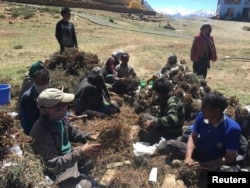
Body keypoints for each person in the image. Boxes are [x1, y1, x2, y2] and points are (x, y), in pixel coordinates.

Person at [30, 88, 102, 188]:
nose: (66, 108)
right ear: (50, 109)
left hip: (69, 159)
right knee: (85, 185)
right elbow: (53, 165)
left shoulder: (60, 119)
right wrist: (80, 153)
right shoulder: (41, 132)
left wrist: (89, 136)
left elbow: (72, 132)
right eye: (62, 106)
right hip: (59, 172)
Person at [160, 91, 241, 172]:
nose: (201, 109)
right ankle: (194, 163)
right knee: (171, 144)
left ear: (216, 111)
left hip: (216, 161)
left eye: (205, 107)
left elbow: (229, 157)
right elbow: (192, 137)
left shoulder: (232, 129)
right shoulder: (201, 116)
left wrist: (206, 165)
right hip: (199, 152)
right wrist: (188, 157)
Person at [137, 77, 185, 145]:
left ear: (160, 92)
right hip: (167, 127)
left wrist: (154, 121)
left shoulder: (171, 101)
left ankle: (156, 136)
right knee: (143, 116)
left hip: (171, 132)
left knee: (141, 137)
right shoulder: (166, 97)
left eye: (156, 92)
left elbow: (172, 119)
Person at [20, 67, 51, 135]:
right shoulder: (28, 97)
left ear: (48, 82)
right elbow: (30, 120)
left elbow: (59, 110)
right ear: (34, 81)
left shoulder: (51, 93)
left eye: (43, 84)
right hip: (33, 130)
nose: (40, 86)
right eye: (37, 84)